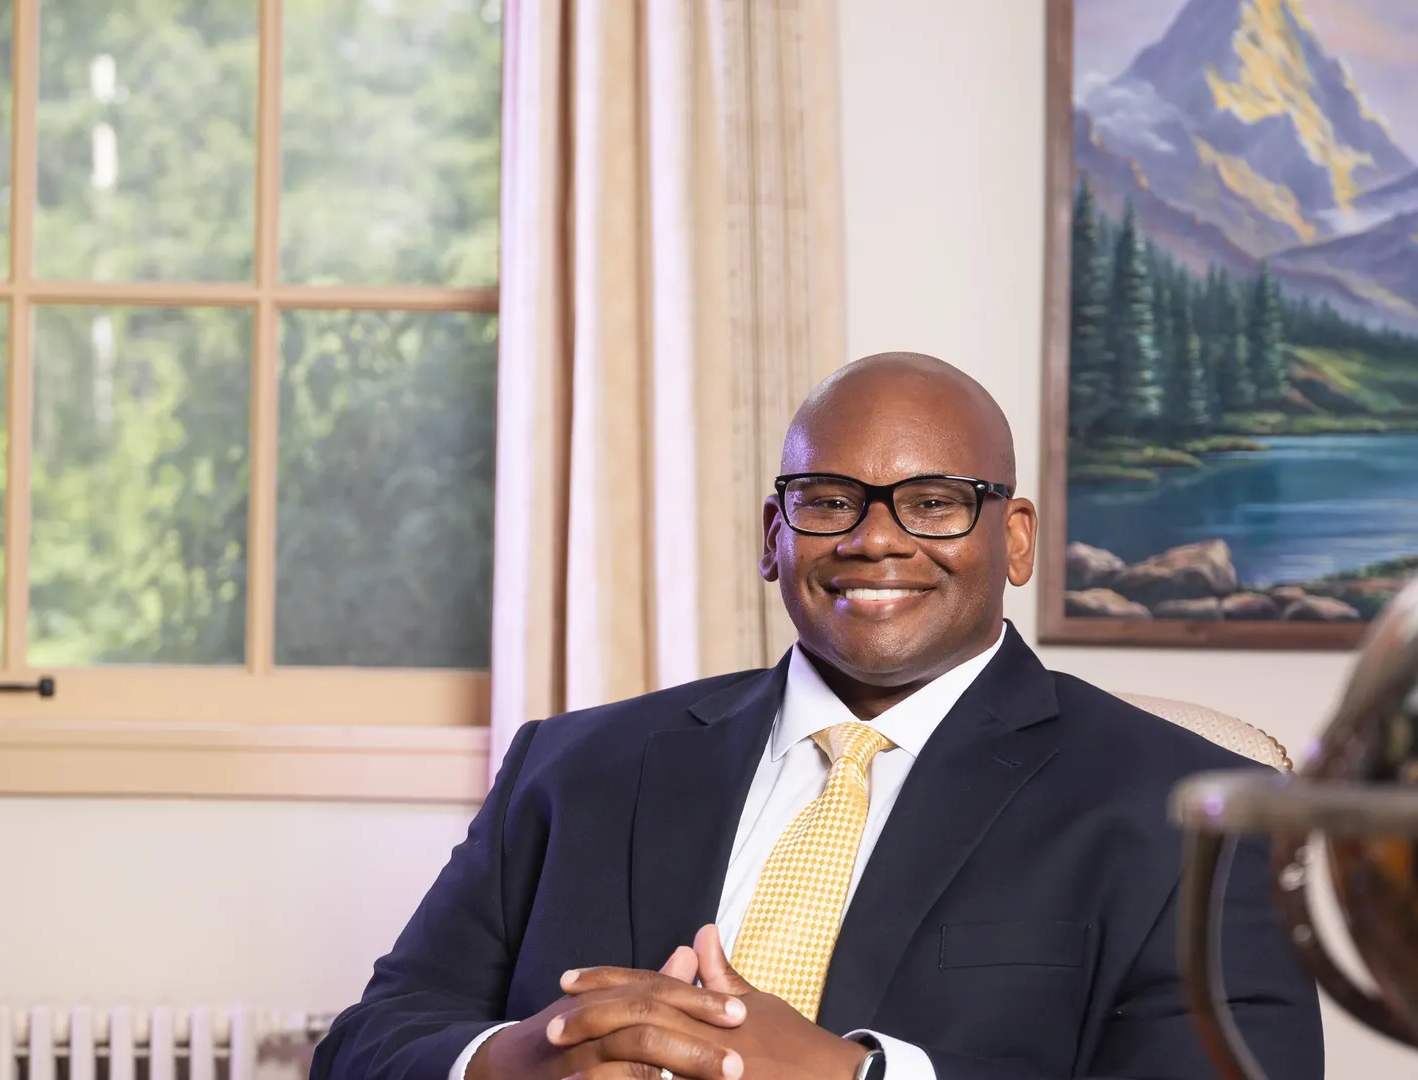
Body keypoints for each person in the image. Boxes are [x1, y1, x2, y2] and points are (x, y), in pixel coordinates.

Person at [309, 353, 1322, 1080]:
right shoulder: (572, 767)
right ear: (773, 535)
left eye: (933, 502)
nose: (876, 540)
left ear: (1013, 539)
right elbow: (368, 1042)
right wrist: (518, 1059)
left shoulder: (1193, 816)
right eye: (829, 499)